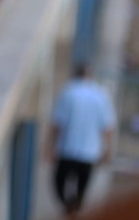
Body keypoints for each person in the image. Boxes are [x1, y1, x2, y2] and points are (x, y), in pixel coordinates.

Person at [47, 64, 117, 217]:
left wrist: (50, 146)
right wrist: (108, 150)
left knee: (59, 184)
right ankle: (74, 210)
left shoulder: (68, 91)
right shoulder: (101, 94)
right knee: (81, 189)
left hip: (67, 149)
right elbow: (108, 127)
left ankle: (69, 209)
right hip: (89, 152)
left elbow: (57, 123)